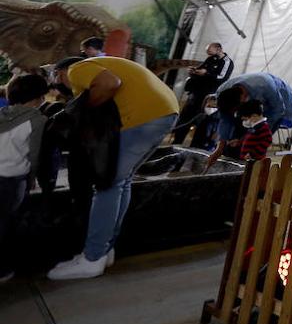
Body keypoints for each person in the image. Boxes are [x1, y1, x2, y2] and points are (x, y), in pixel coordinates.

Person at [47, 55, 177, 280]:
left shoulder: (77, 69)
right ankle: (106, 249)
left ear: (60, 71)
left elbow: (109, 84)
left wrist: (84, 111)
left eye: (55, 77)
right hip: (165, 112)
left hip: (142, 117)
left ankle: (92, 258)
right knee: (122, 181)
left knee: (107, 185)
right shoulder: (106, 65)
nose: (57, 85)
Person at [0, 74, 49, 283]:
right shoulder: (37, 120)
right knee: (6, 223)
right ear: (38, 97)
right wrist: (33, 178)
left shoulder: (1, 113)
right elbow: (34, 154)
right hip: (13, 180)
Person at [204, 71, 292, 168]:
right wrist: (220, 148)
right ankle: (231, 171)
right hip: (252, 106)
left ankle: (251, 171)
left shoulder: (265, 86)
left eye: (236, 112)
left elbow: (277, 111)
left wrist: (255, 132)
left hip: (277, 106)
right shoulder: (222, 92)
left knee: (255, 142)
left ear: (243, 100)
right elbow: (225, 119)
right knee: (232, 146)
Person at [172, 42, 233, 145]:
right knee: (185, 119)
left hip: (209, 97)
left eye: (210, 51)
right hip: (196, 94)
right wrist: (194, 71)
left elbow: (222, 78)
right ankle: (176, 141)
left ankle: (196, 147)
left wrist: (207, 73)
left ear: (218, 49)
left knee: (203, 124)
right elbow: (201, 69)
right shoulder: (210, 59)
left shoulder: (227, 62)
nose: (208, 55)